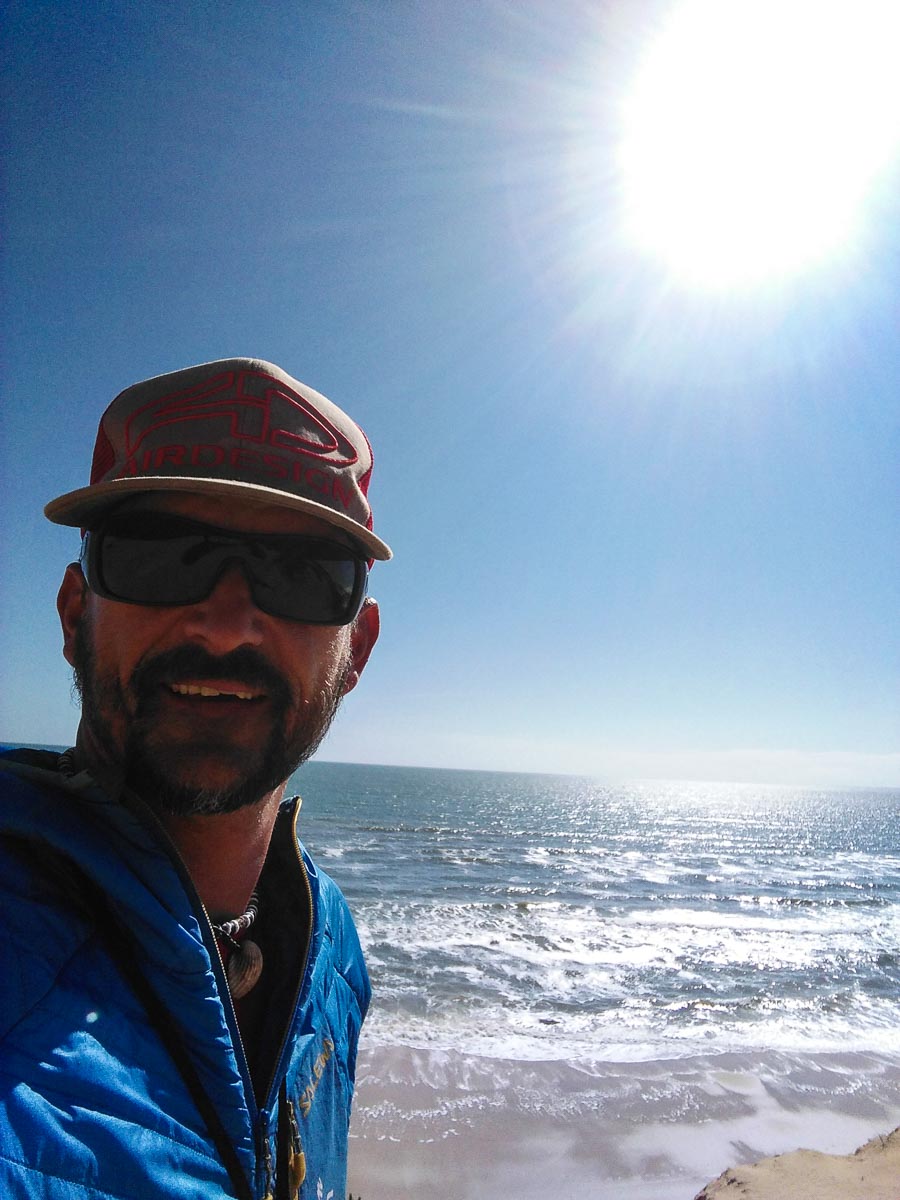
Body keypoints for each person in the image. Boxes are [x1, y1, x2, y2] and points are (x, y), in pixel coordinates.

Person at [0, 358, 391, 1200]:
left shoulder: (331, 944)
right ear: (74, 616)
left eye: (300, 573)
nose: (226, 625)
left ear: (355, 650)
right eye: (160, 556)